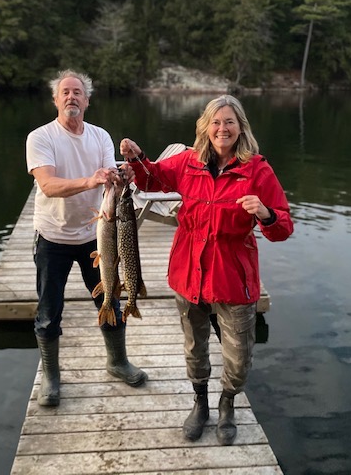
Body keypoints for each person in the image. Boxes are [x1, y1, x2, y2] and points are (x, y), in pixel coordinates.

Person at [120, 94, 293, 444]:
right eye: (216, 121)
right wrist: (136, 158)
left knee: (239, 355)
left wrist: (265, 213)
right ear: (206, 127)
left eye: (229, 121)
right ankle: (200, 403)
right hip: (188, 273)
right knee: (194, 347)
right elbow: (152, 180)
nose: (222, 128)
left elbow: (283, 228)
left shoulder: (258, 170)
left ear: (241, 127)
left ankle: (228, 403)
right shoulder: (188, 162)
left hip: (234, 277)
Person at [26, 69, 147, 407]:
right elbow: (48, 185)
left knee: (111, 297)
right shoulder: (41, 137)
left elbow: (111, 181)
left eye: (77, 92)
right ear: (55, 99)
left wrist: (121, 177)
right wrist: (90, 181)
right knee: (49, 310)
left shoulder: (100, 136)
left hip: (96, 234)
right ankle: (51, 376)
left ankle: (117, 361)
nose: (71, 97)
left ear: (87, 100)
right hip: (52, 237)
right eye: (65, 92)